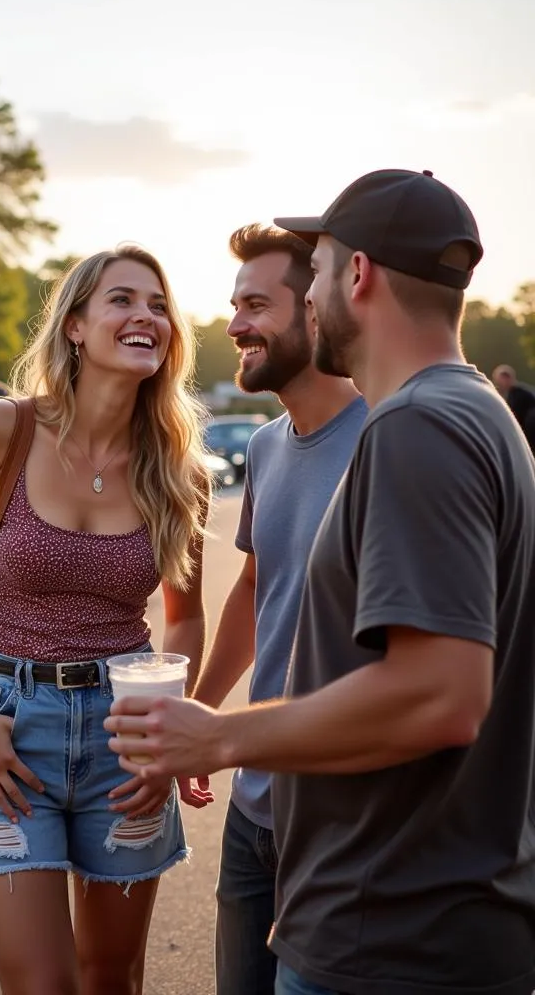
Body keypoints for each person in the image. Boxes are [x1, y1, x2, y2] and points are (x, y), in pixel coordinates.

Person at [106, 169, 535, 994]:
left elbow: (441, 696)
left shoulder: (416, 428)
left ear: (358, 276)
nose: (308, 299)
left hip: (389, 927)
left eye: (323, 268)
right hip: (421, 911)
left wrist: (220, 737)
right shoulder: (478, 412)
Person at [0, 244, 215, 995]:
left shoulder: (180, 468)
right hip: (6, 731)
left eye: (158, 304)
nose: (146, 315)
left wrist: (164, 737)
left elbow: (185, 617)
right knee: (42, 984)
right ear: (75, 325)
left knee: (112, 978)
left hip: (125, 738)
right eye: (122, 300)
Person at [193, 223, 366, 995]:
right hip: (252, 805)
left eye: (256, 304)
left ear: (318, 309)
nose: (234, 325)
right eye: (234, 305)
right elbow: (256, 590)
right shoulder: (264, 447)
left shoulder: (391, 439)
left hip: (342, 819)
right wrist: (200, 716)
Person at [491, 363, 535, 451]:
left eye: (499, 380)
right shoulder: (519, 392)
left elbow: (514, 418)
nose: (498, 384)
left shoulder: (518, 395)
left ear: (507, 378)